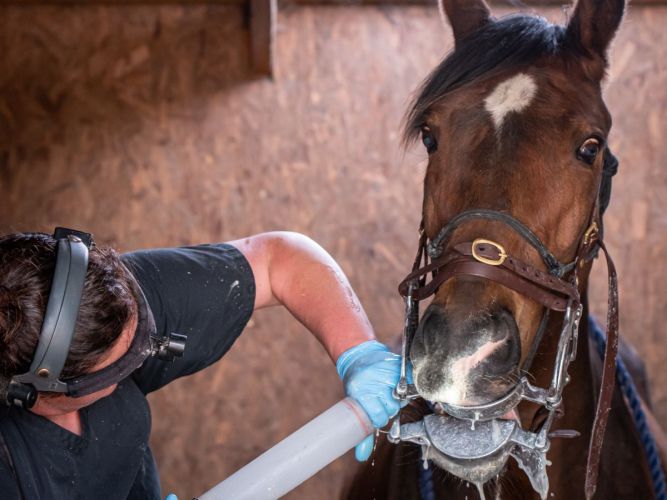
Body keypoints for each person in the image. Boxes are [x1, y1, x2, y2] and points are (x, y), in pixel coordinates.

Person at [0, 230, 409, 499]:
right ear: (44, 391)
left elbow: (275, 259)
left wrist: (358, 351)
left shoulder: (97, 301)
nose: (146, 350)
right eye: (123, 364)